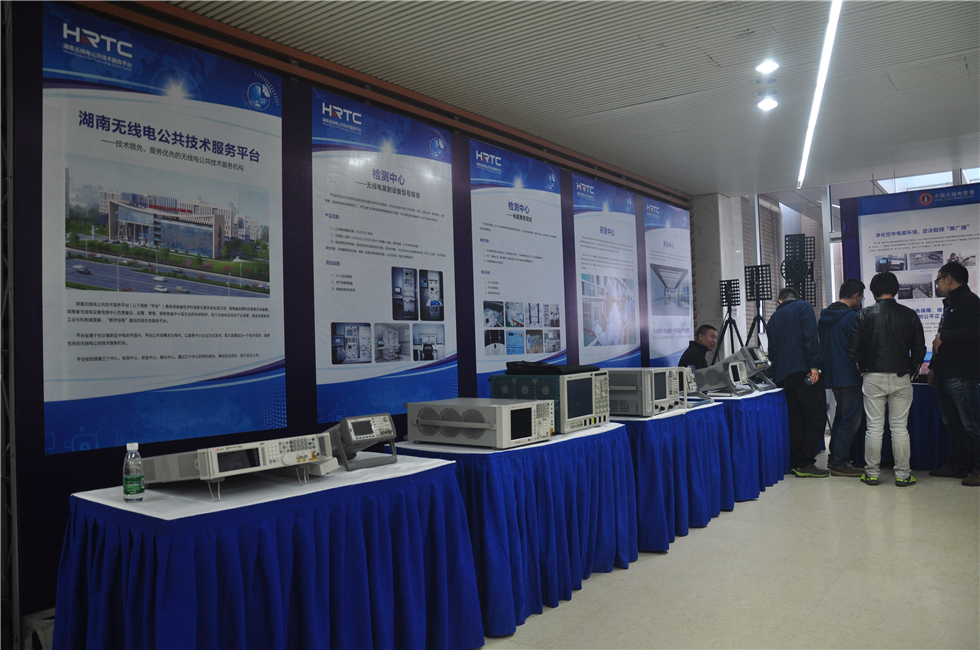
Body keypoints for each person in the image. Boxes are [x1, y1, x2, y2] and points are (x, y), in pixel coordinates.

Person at [848, 272, 926, 487]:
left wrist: (862, 371)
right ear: (896, 290)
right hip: (902, 376)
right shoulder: (909, 315)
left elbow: (853, 350)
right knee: (900, 428)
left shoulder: (863, 315)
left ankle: (871, 474)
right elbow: (919, 349)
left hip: (872, 376)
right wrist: (911, 371)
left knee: (874, 427)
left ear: (873, 292)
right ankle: (903, 475)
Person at [928, 262, 980, 486]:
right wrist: (933, 367)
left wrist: (944, 337)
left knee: (972, 424)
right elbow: (939, 340)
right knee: (952, 422)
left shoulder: (969, 301)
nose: (937, 285)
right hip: (945, 372)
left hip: (962, 373)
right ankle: (957, 465)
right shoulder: (951, 303)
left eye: (938, 280)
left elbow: (974, 331)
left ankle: (978, 470)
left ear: (948, 279)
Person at [767, 287, 827, 478]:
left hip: (784, 377)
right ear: (796, 298)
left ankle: (796, 462)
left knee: (796, 420)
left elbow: (772, 352)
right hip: (804, 372)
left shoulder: (773, 319)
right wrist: (814, 365)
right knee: (817, 417)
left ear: (780, 301)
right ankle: (804, 461)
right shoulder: (803, 307)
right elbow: (810, 336)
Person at [818, 278, 866, 477]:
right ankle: (839, 462)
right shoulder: (852, 317)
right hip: (850, 375)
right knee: (850, 420)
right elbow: (858, 347)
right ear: (856, 296)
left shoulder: (825, 317)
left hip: (832, 376)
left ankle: (835, 459)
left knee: (840, 417)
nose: (861, 301)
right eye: (861, 297)